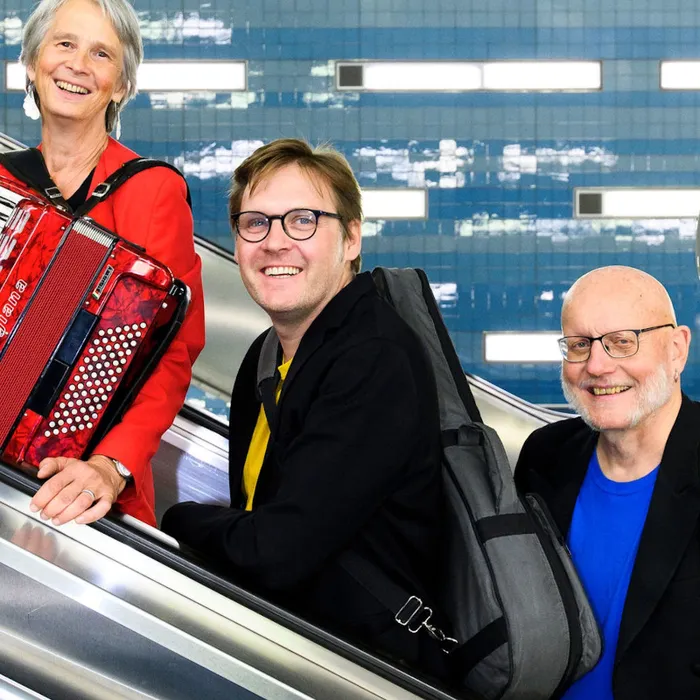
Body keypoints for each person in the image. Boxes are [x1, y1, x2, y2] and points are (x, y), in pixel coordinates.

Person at [162, 138, 445, 672]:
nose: (275, 243)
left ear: (352, 238)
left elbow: (276, 551)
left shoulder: (373, 357)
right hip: (296, 643)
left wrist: (172, 516)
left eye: (302, 221)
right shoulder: (266, 356)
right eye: (255, 223)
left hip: (370, 668)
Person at [3, 0, 205, 527]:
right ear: (32, 63)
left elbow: (175, 351)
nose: (77, 65)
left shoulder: (153, 190)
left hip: (85, 488)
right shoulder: (6, 184)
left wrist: (111, 466)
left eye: (101, 54)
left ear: (121, 86)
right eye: (64, 44)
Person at [514, 265, 699, 700]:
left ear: (676, 350)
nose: (596, 366)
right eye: (579, 345)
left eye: (622, 341)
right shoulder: (545, 456)